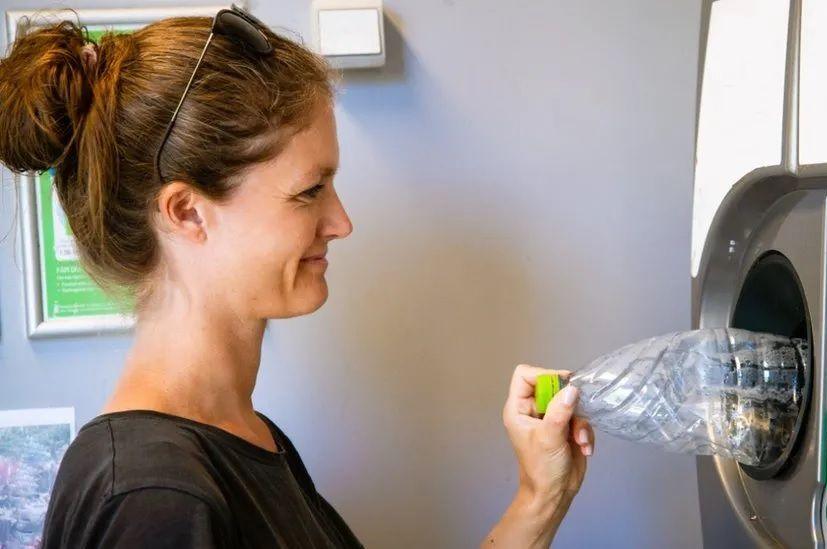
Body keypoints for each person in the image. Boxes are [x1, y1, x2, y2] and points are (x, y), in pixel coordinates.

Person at [0, 5, 594, 548]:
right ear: (186, 213)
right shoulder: (151, 498)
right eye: (309, 190)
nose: (342, 222)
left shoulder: (249, 439)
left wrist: (541, 495)